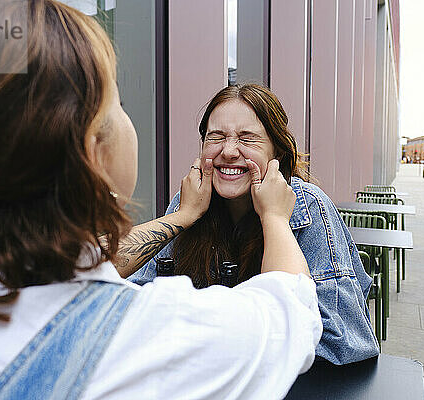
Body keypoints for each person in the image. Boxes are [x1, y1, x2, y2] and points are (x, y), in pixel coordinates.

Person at [0, 1, 322, 399]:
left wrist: (185, 215)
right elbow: (293, 313)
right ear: (92, 150)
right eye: (118, 100)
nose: (229, 149)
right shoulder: (142, 342)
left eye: (247, 138)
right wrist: (276, 219)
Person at [127, 84, 380, 365]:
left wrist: (275, 218)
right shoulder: (188, 201)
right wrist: (182, 216)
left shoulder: (308, 205)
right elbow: (128, 298)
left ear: (278, 152)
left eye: (247, 138)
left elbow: (345, 342)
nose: (229, 151)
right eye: (216, 137)